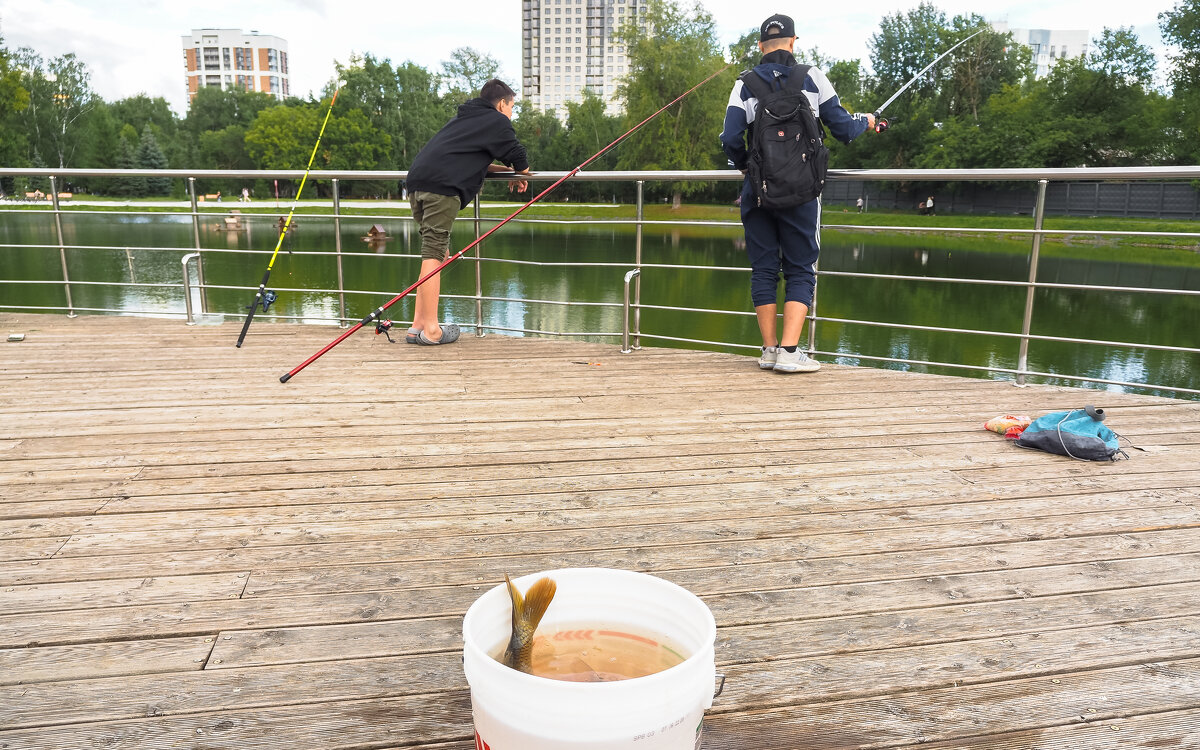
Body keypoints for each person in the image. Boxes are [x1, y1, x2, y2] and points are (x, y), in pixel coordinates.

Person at [720, 14, 875, 373]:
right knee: (800, 268)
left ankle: (770, 351)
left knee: (763, 269)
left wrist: (749, 166)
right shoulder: (811, 76)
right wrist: (866, 121)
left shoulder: (744, 84)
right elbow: (844, 130)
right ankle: (791, 352)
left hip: (757, 192)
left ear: (761, 47)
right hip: (803, 192)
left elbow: (729, 139)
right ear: (793, 42)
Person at [403, 78, 531, 345]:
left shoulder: (464, 120)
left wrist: (508, 171)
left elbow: (472, 160)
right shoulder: (497, 121)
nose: (511, 113)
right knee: (433, 255)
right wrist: (520, 172)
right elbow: (520, 157)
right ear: (501, 103)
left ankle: (417, 326)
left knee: (434, 254)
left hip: (417, 184)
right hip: (441, 188)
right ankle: (432, 331)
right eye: (512, 107)